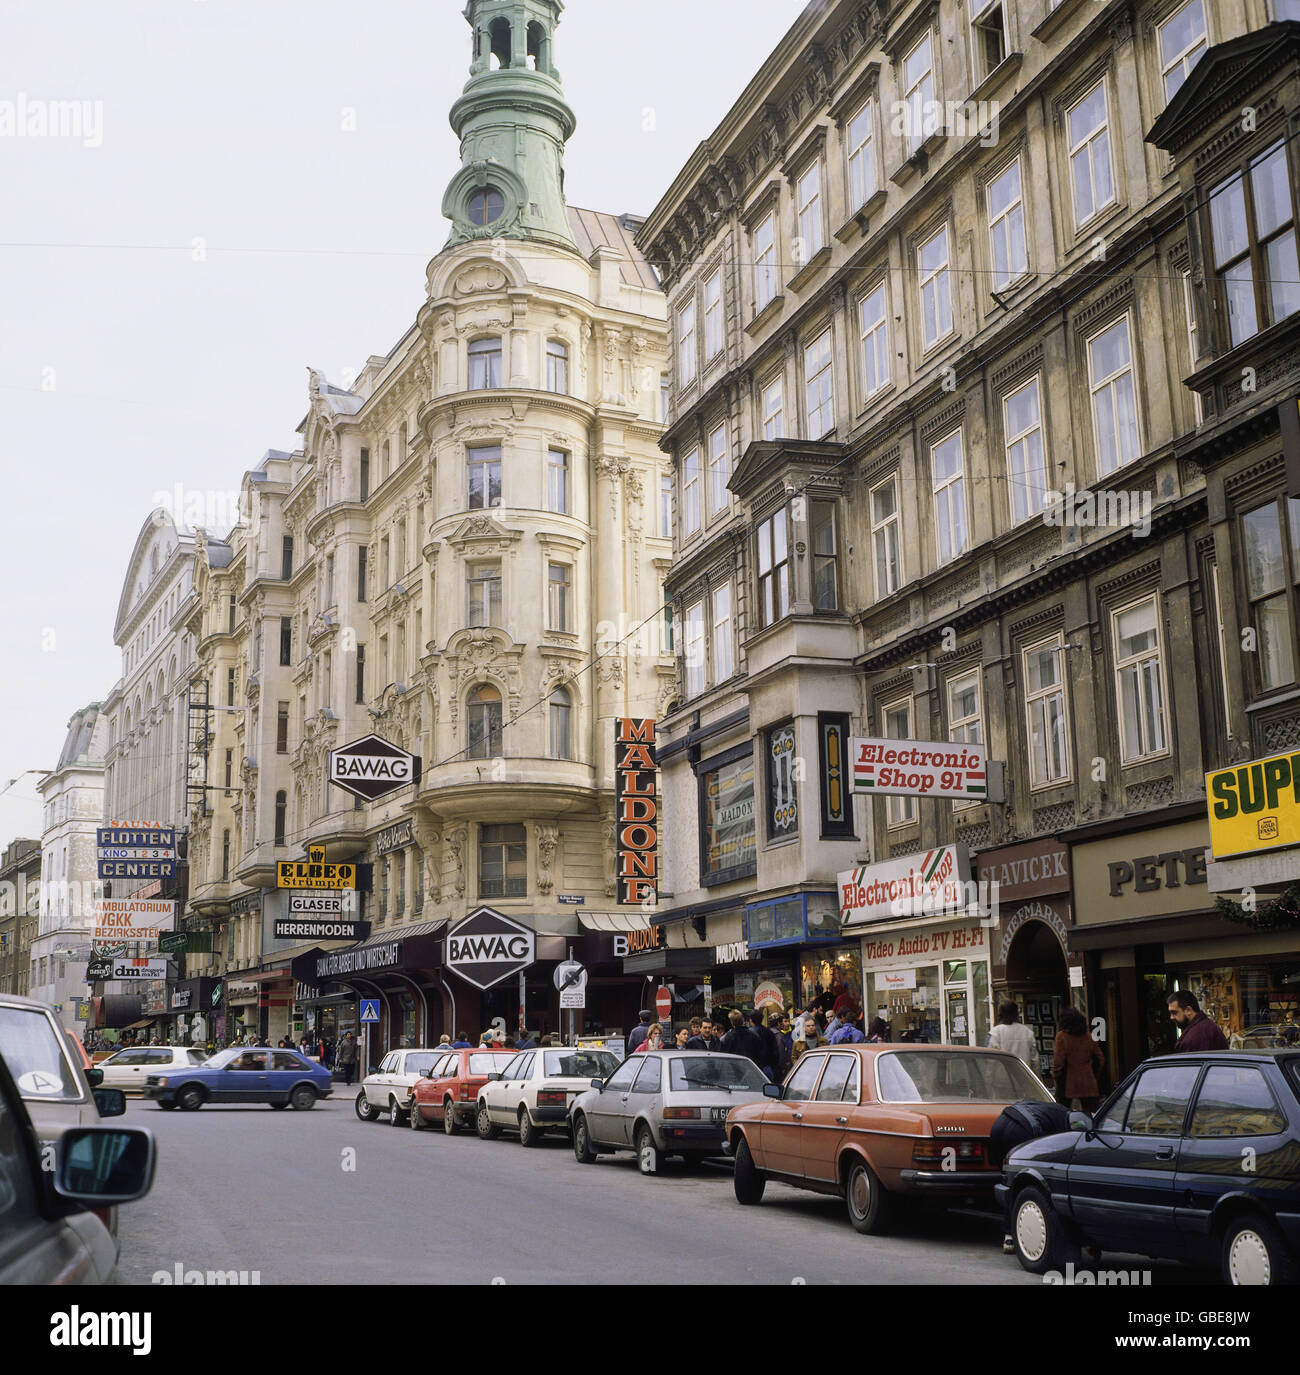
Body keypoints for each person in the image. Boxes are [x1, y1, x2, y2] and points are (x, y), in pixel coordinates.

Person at [1052, 1006, 1104, 1112]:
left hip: (1067, 1084)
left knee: (1063, 1115)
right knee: (1091, 1115)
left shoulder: (1062, 1037)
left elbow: (1058, 1063)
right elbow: (1100, 1059)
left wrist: (1056, 1076)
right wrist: (1094, 1075)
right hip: (1088, 1082)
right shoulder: (1089, 1036)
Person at [986, 1000, 1036, 1067]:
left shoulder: (995, 1034)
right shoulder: (1028, 1033)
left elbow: (990, 1061)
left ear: (1000, 1014)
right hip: (1023, 1075)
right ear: (1016, 1014)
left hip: (1002, 1076)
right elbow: (1035, 1061)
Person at [748, 1009, 780, 1078]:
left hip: (753, 1067)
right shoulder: (769, 1032)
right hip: (767, 1067)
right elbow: (775, 1052)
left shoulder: (748, 1033)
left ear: (750, 1020)